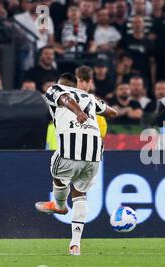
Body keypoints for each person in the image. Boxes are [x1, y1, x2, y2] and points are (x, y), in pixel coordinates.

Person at [35, 73, 119, 256]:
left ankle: (59, 204)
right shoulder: (89, 96)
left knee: (57, 172)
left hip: (70, 150)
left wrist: (78, 112)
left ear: (60, 83)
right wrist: (94, 105)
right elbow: (113, 113)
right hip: (95, 154)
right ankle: (75, 245)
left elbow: (64, 99)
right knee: (80, 194)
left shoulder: (55, 89)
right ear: (76, 84)